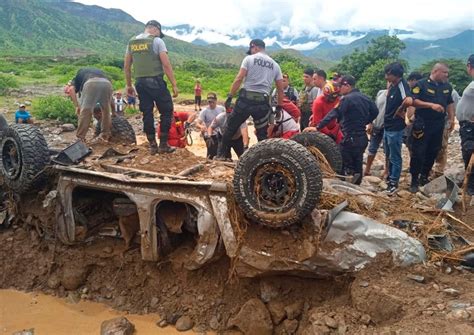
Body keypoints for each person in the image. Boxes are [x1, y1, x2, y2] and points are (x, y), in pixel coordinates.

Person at [215, 39, 284, 159]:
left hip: (245, 101)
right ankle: (265, 160)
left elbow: (239, 78)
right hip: (262, 103)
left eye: (251, 50)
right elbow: (280, 89)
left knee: (230, 127)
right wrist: (279, 106)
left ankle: (220, 155)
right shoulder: (275, 65)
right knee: (262, 134)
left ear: (255, 47)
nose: (251, 52)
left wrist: (230, 96)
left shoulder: (249, 59)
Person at [124, 19, 179, 154]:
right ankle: (163, 145)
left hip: (140, 83)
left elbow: (127, 66)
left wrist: (129, 85)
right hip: (156, 81)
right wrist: (174, 85)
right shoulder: (157, 41)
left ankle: (153, 145)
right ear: (156, 29)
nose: (159, 35)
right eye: (159, 33)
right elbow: (166, 65)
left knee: (147, 113)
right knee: (166, 111)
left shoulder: (131, 42)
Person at [317, 75, 378, 185]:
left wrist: (318, 127)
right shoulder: (366, 98)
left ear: (347, 85)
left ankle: (344, 186)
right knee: (358, 162)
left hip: (350, 138)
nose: (339, 89)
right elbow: (375, 111)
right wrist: (365, 121)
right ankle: (357, 184)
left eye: (341, 86)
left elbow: (334, 113)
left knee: (342, 162)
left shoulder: (346, 99)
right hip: (362, 138)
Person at [409, 63, 455, 193]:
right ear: (435, 71)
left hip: (438, 124)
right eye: (444, 72)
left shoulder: (447, 86)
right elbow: (413, 101)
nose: (447, 75)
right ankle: (414, 180)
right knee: (418, 151)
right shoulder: (421, 84)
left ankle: (424, 176)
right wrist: (430, 105)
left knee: (433, 150)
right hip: (422, 123)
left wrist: (452, 118)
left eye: (447, 73)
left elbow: (450, 103)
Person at [382, 62, 413, 194]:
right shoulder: (393, 85)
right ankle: (390, 178)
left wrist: (401, 110)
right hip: (388, 126)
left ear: (395, 75)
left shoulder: (402, 85)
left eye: (388, 74)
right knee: (388, 154)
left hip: (395, 128)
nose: (386, 77)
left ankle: (394, 182)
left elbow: (409, 100)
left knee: (395, 156)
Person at [66, 67, 113, 142]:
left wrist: (77, 106)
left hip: (91, 83)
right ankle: (105, 135)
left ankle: (80, 137)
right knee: (106, 111)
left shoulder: (77, 77)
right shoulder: (100, 72)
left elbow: (71, 90)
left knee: (86, 111)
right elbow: (111, 99)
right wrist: (114, 112)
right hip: (107, 83)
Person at [456, 54, 474, 195]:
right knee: (467, 151)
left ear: (469, 66)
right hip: (466, 125)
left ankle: (471, 186)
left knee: (469, 152)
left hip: (470, 126)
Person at [433, 88, 460, 175]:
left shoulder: (452, 92)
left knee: (442, 147)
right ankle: (428, 170)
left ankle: (439, 170)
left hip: (444, 123)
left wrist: (451, 121)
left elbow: (454, 108)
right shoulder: (429, 88)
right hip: (431, 123)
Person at [364, 88, 388, 178]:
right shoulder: (381, 93)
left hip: (388, 127)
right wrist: (370, 122)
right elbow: (374, 109)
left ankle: (387, 171)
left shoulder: (397, 95)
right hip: (377, 124)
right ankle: (367, 169)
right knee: (372, 148)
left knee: (387, 150)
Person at [196, 92, 225, 159]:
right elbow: (197, 123)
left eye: (212, 102)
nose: (211, 104)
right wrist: (201, 127)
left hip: (220, 133)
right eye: (209, 102)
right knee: (211, 152)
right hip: (210, 135)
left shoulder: (221, 109)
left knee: (222, 152)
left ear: (216, 100)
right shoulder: (204, 111)